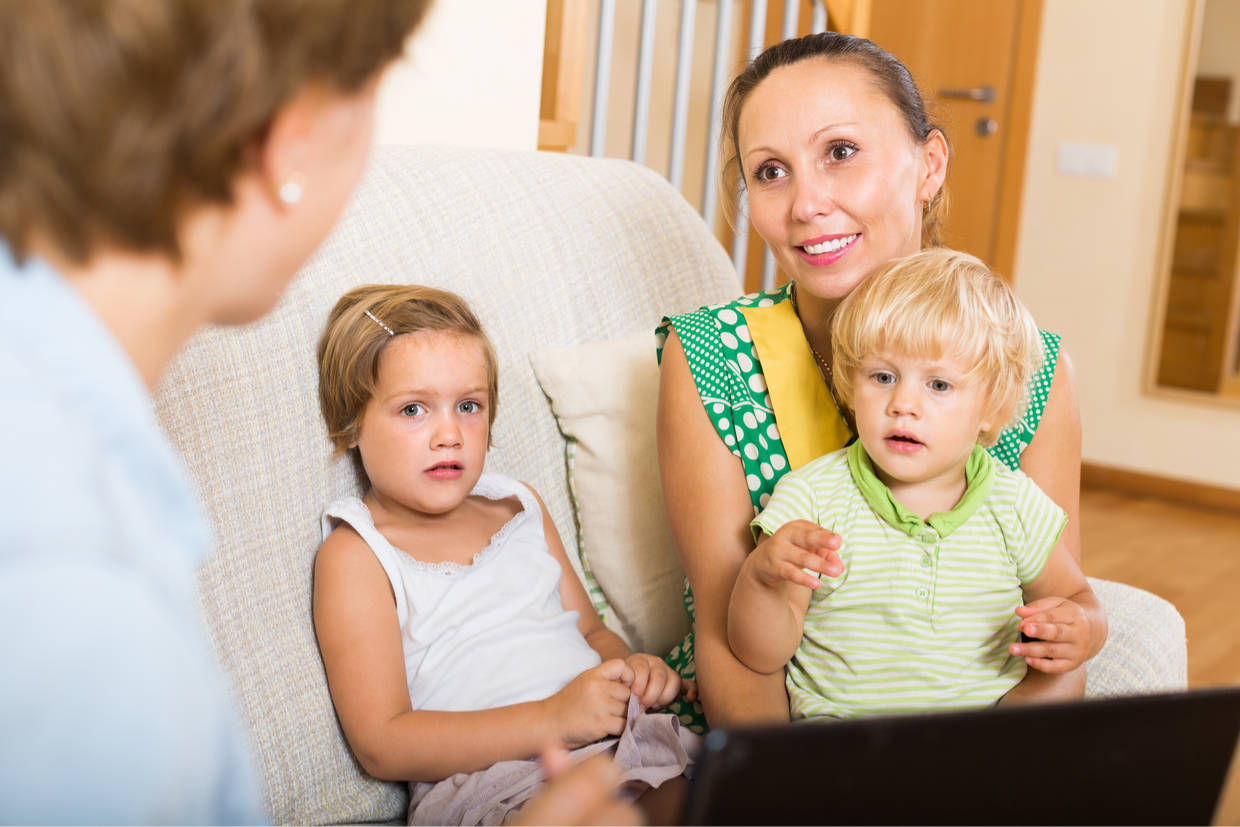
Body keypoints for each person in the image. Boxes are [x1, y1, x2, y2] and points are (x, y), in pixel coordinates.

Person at [656, 32, 1085, 733]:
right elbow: (729, 640)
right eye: (770, 172)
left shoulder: (1035, 370)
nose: (805, 204)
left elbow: (1056, 641)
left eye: (841, 153)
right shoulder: (707, 356)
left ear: (929, 164)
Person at [312, 285, 699, 826]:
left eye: (468, 406)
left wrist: (629, 670)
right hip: (494, 785)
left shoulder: (518, 505)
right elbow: (382, 741)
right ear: (352, 423)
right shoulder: (358, 553)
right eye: (414, 409)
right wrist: (553, 720)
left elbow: (591, 632)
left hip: (616, 748)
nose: (449, 434)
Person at [728, 249, 1106, 720]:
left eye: (939, 386)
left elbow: (1077, 599)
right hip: (843, 762)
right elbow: (761, 655)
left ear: (993, 410)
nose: (903, 404)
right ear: (851, 382)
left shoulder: (1015, 504)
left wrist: (1084, 629)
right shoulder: (812, 500)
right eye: (883, 376)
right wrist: (761, 577)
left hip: (973, 761)